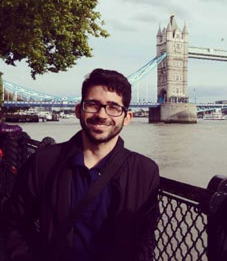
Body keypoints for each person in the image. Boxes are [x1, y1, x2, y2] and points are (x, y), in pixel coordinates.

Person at [3, 69, 160, 261]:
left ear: (127, 118)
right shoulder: (43, 162)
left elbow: (145, 241)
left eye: (113, 107)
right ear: (79, 110)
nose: (102, 115)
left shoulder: (145, 172)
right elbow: (14, 223)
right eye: (93, 105)